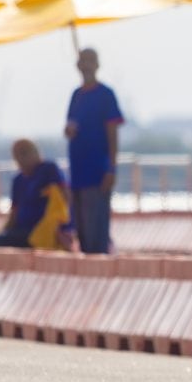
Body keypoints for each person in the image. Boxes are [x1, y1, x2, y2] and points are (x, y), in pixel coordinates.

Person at [65, 48, 124, 254]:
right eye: (83, 61)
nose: (86, 65)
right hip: (78, 173)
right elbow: (70, 126)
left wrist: (111, 168)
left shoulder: (105, 95)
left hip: (97, 172)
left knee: (96, 230)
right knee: (81, 229)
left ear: (97, 65)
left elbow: (112, 133)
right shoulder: (76, 96)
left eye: (90, 61)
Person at [0, 139, 72, 250]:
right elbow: (14, 212)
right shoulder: (18, 180)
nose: (21, 158)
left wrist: (63, 228)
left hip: (42, 231)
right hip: (21, 230)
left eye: (24, 153)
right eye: (17, 155)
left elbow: (64, 199)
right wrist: (4, 232)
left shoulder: (49, 169)